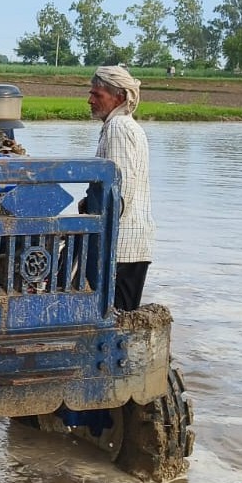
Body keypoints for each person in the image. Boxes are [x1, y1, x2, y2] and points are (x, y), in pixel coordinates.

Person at [87, 65, 155, 311]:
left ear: (120, 97)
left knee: (116, 317)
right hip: (132, 243)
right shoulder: (126, 126)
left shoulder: (119, 127)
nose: (90, 100)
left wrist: (97, 224)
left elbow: (119, 188)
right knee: (122, 315)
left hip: (121, 246)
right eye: (91, 93)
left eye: (97, 95)